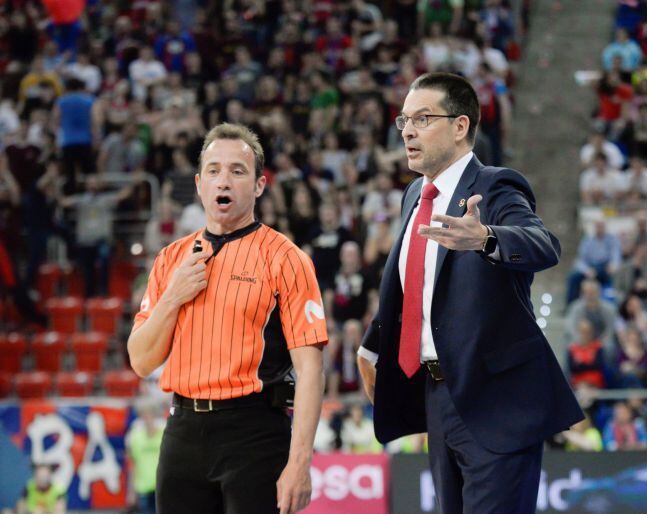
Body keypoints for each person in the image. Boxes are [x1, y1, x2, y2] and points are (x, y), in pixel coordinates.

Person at [356, 72, 582, 513]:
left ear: (461, 126)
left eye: (423, 119)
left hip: (496, 401)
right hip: (438, 397)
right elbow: (416, 287)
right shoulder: (412, 196)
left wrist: (486, 238)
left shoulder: (496, 185)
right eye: (404, 121)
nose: (408, 131)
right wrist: (372, 343)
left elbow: (542, 244)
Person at [128, 123, 328, 514]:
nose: (225, 180)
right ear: (200, 184)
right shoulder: (171, 259)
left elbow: (311, 370)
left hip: (254, 433)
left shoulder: (285, 258)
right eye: (215, 171)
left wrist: (300, 463)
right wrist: (173, 296)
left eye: (238, 171)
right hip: (182, 431)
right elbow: (141, 361)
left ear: (258, 185)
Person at [125, 400, 164, 514]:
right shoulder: (134, 437)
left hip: (161, 486)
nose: (147, 418)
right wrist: (131, 491)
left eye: (150, 414)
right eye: (144, 414)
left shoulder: (164, 434)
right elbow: (132, 465)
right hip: (142, 487)